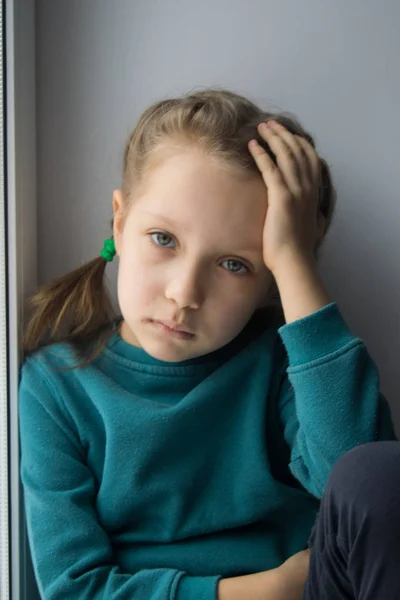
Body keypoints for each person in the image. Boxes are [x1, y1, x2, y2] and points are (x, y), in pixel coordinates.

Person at [18, 87, 397, 600]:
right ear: (121, 220)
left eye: (234, 264)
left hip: (321, 587)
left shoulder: (286, 365)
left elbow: (361, 486)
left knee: (377, 471)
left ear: (268, 281)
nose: (185, 294)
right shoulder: (57, 385)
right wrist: (265, 591)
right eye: (163, 239)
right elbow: (73, 589)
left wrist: (293, 260)